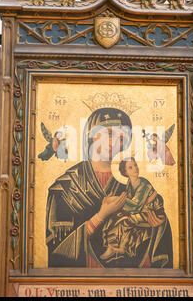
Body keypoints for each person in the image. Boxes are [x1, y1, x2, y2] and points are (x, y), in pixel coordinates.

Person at [45, 107, 173, 268]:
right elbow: (57, 248)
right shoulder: (66, 187)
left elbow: (154, 220)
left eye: (122, 138)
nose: (115, 143)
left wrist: (157, 223)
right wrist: (100, 216)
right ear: (91, 134)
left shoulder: (131, 181)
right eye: (110, 134)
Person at [100, 157, 164, 262]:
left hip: (153, 213)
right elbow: (131, 202)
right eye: (130, 167)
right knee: (115, 217)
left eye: (135, 165)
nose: (135, 168)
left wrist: (116, 200)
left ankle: (121, 248)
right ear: (125, 172)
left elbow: (135, 205)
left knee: (127, 219)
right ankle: (112, 246)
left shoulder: (143, 184)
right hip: (142, 211)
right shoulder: (130, 183)